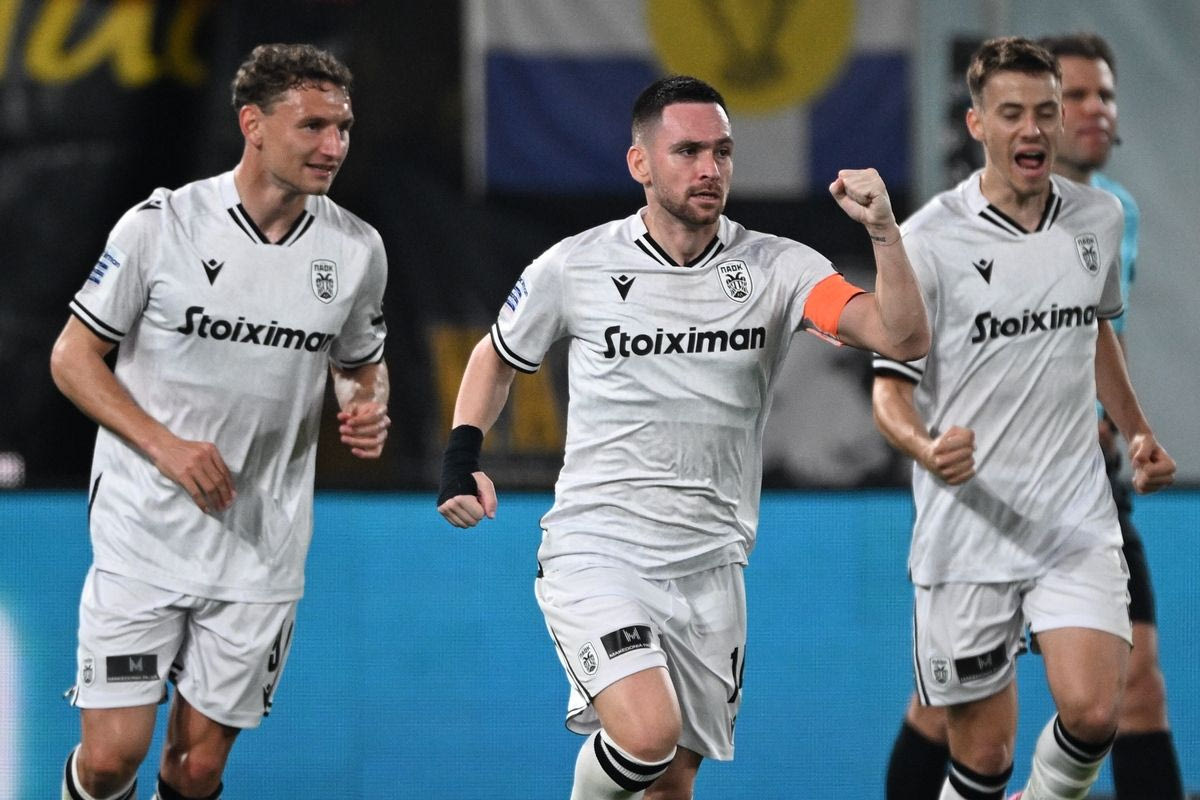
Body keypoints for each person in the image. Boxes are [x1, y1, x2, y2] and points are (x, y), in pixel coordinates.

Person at [437, 74, 929, 799]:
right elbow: (496, 356)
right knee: (645, 735)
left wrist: (884, 232)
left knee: (670, 784)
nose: (709, 168)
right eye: (688, 151)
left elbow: (901, 336)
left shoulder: (780, 268)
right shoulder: (577, 265)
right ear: (640, 163)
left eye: (722, 152)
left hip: (711, 564)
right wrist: (461, 459)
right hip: (599, 550)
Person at [49, 43, 390, 800]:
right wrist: (165, 447)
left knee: (197, 769)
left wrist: (365, 405)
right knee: (110, 759)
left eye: (343, 128)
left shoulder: (356, 249)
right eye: (312, 126)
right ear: (253, 125)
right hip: (145, 531)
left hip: (262, 545)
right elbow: (72, 358)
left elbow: (360, 360)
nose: (333, 146)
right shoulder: (161, 226)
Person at [880, 32, 1186, 800]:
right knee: (979, 752)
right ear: (976, 123)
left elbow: (1096, 330)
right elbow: (887, 389)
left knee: (1099, 710)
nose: (1035, 128)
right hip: (969, 524)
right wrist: (926, 447)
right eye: (1012, 112)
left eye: (1046, 111)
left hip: (1075, 506)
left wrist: (1137, 429)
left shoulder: (1101, 217)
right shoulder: (927, 240)